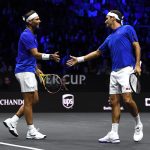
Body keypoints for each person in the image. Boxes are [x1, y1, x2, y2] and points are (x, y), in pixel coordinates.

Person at [66, 10, 143, 143]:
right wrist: (79, 59)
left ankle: (138, 124)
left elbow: (137, 46)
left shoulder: (127, 29)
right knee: (114, 102)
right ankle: (114, 133)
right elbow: (97, 53)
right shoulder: (109, 38)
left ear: (114, 18)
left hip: (127, 69)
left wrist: (137, 64)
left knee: (128, 100)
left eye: (107, 18)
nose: (105, 20)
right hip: (114, 72)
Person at [3, 10, 60, 139]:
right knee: (28, 102)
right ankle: (31, 131)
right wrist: (50, 56)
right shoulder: (27, 35)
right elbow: (35, 54)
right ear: (30, 22)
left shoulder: (31, 35)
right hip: (24, 71)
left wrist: (35, 68)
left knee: (34, 99)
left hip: (28, 69)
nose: (39, 21)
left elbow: (28, 56)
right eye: (37, 19)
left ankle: (13, 121)